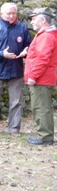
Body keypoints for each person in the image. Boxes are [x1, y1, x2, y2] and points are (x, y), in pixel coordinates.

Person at [0, 2, 32, 136]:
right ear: (1, 14)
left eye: (13, 13)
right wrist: (1, 54)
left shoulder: (22, 28)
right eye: (8, 13)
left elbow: (30, 46)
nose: (11, 16)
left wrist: (25, 52)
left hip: (16, 70)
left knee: (16, 101)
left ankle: (14, 129)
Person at [24, 8, 57, 145]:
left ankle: (45, 137)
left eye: (33, 18)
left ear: (42, 19)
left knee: (41, 107)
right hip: (43, 77)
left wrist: (33, 76)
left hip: (41, 78)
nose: (31, 22)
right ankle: (45, 135)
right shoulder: (46, 34)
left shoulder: (46, 36)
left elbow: (43, 58)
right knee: (42, 106)